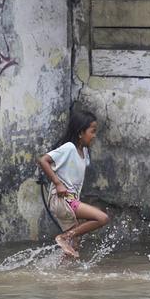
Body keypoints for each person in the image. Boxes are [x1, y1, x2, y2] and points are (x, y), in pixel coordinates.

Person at [37, 109, 109, 258]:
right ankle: (63, 237)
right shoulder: (69, 148)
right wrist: (57, 183)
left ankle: (65, 276)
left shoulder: (84, 152)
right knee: (102, 218)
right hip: (63, 199)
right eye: (92, 131)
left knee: (74, 247)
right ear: (80, 132)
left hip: (71, 200)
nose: (94, 136)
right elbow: (43, 160)